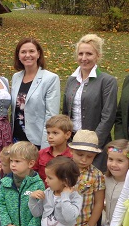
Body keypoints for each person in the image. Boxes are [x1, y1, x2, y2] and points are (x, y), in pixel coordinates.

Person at [63, 34, 117, 172]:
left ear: (98, 56)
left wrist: (92, 144)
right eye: (80, 53)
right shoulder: (71, 80)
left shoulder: (107, 81)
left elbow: (108, 117)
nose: (84, 58)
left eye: (89, 54)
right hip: (73, 143)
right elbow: (65, 113)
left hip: (95, 146)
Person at [11, 38, 60, 149]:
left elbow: (51, 116)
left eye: (31, 51)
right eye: (23, 52)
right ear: (18, 56)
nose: (27, 55)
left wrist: (45, 146)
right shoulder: (16, 77)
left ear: (38, 54)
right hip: (16, 138)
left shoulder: (50, 79)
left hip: (36, 140)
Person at [33, 114, 73, 183]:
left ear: (67, 135)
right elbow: (32, 175)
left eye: (55, 133)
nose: (50, 136)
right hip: (42, 191)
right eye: (48, 133)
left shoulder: (72, 156)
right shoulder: (41, 154)